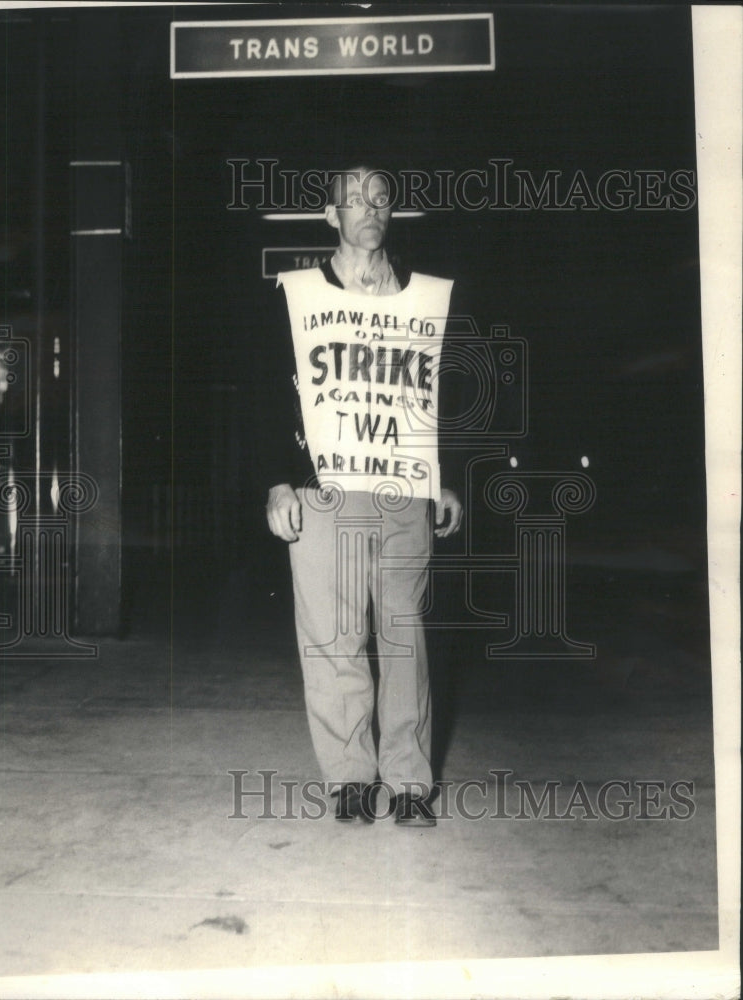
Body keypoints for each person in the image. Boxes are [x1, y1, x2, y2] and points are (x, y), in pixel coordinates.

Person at [263, 166, 462, 827]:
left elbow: (435, 396)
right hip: (322, 492)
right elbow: (269, 393)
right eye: (355, 199)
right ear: (331, 215)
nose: (369, 208)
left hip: (401, 489)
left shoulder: (419, 299)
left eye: (381, 198)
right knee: (332, 638)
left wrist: (443, 475)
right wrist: (275, 480)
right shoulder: (296, 297)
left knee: (403, 634)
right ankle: (351, 778)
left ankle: (409, 783)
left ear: (391, 213)